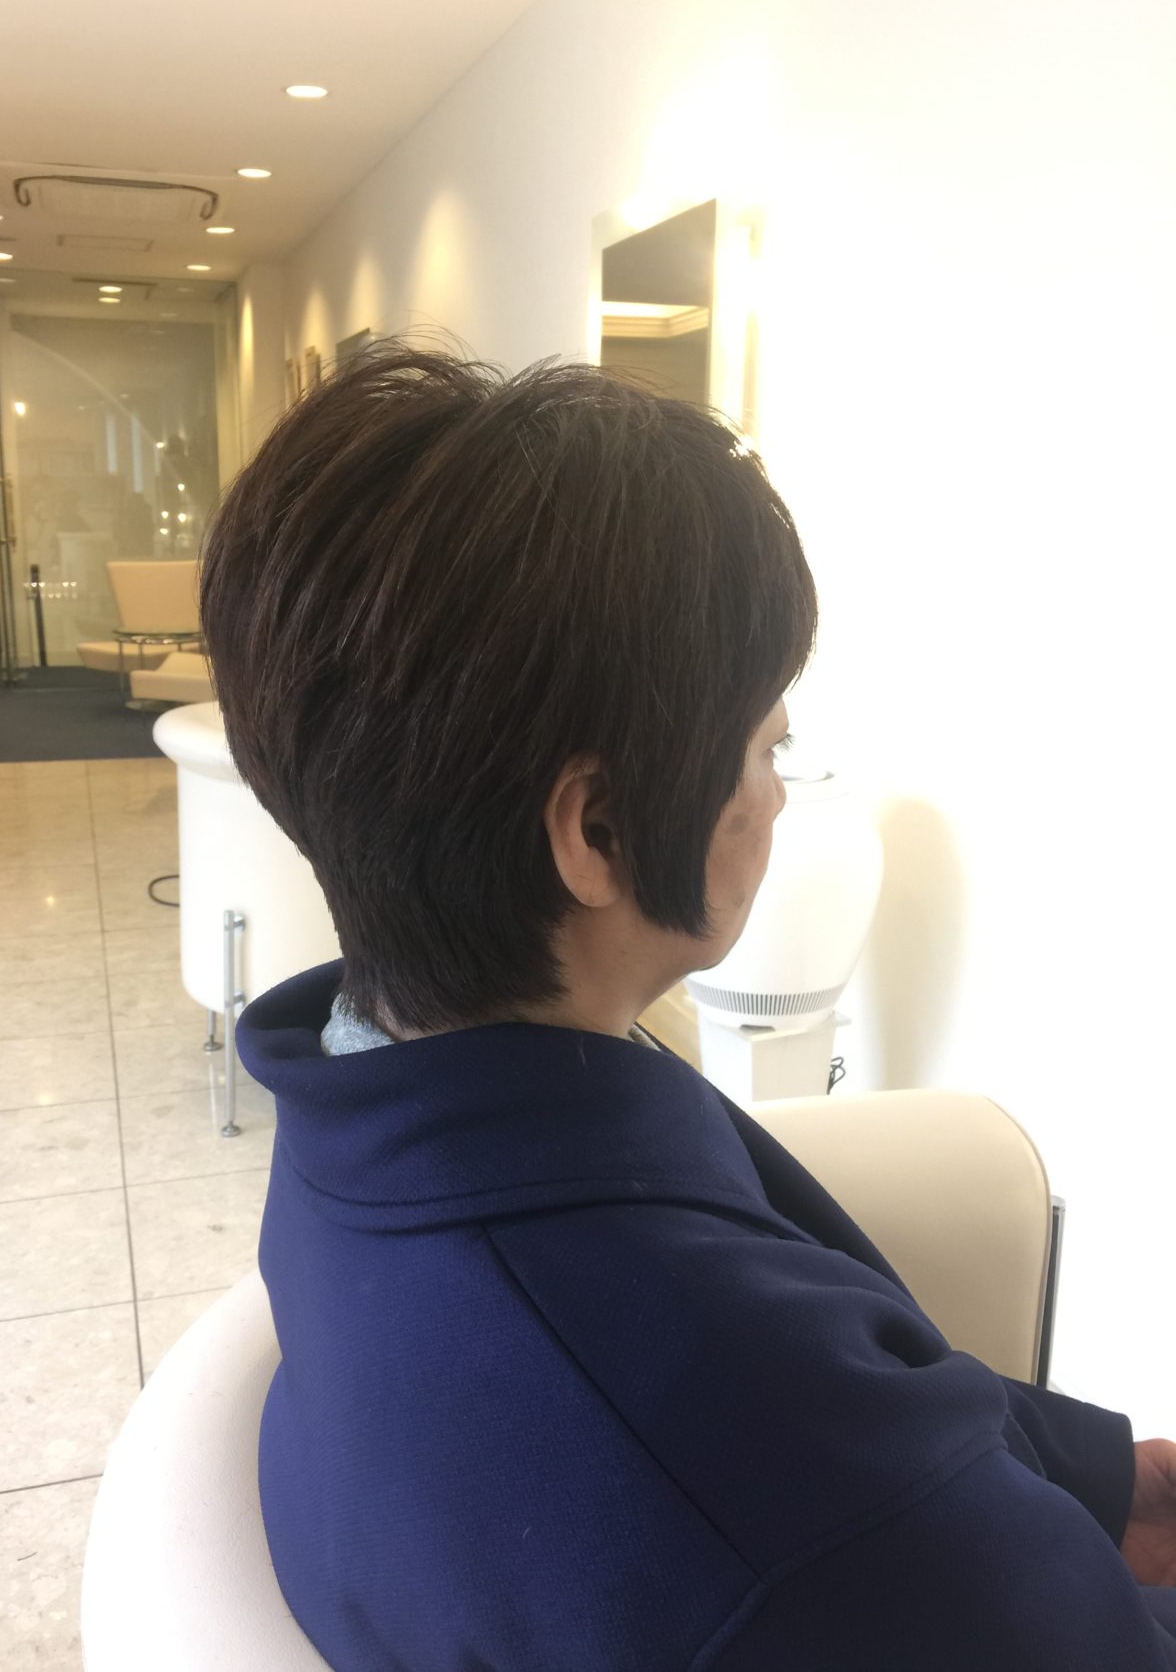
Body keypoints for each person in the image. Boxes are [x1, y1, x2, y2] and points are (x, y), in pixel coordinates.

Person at [199, 341, 1176, 1669]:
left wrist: (1106, 1482)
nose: (774, 794)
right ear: (598, 828)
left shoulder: (371, 1096)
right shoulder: (740, 1454)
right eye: (765, 746)